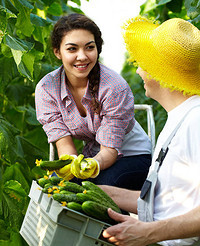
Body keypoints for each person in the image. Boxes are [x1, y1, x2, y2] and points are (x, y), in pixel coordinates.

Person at [94, 16, 200, 246]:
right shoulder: (180, 117)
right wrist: (105, 193)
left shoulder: (197, 121)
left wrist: (148, 233)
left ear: (161, 73)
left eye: (144, 63)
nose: (138, 70)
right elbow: (171, 201)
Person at [35, 13, 152, 190]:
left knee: (102, 187)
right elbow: (64, 145)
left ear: (97, 49)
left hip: (132, 155)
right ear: (57, 52)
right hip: (92, 156)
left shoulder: (114, 87)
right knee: (56, 187)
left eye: (89, 47)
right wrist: (73, 165)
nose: (82, 56)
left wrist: (93, 166)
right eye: (72, 49)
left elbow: (109, 150)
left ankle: (121, 219)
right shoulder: (47, 89)